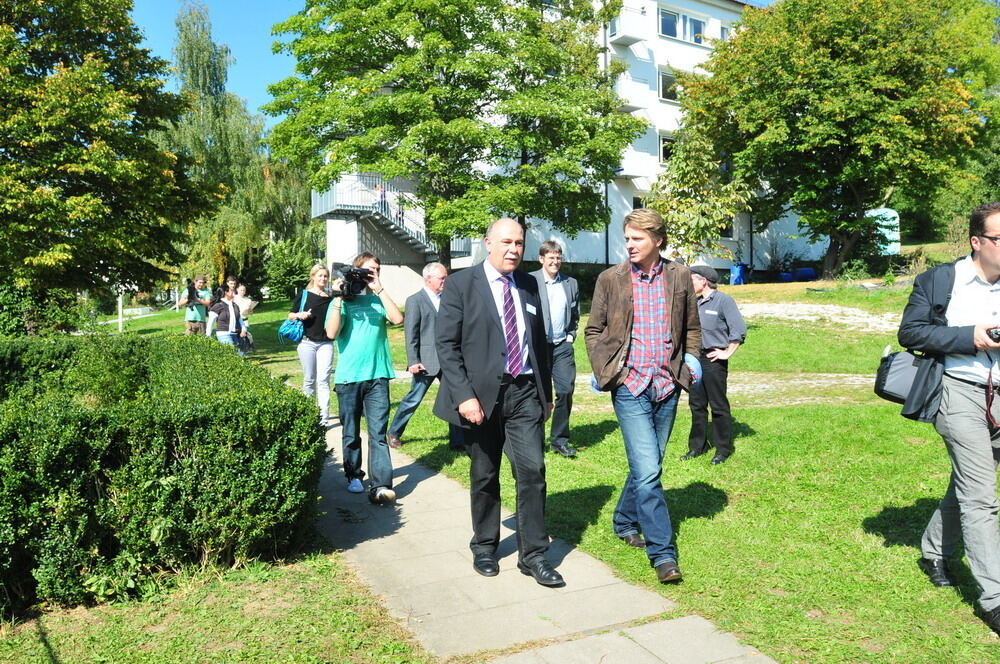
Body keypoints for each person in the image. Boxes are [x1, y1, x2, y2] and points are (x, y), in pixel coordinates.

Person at [434, 218, 560, 587]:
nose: (514, 250)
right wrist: (464, 397)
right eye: (506, 242)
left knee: (533, 471)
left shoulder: (529, 284)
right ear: (488, 243)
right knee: (485, 474)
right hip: (481, 397)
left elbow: (540, 345)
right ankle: (485, 546)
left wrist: (545, 394)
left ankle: (534, 555)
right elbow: (447, 346)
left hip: (523, 393)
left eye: (519, 243)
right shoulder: (460, 284)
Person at [898, 201, 1000, 635]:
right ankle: (995, 598)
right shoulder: (942, 280)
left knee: (967, 485)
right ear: (977, 242)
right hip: (958, 392)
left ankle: (934, 551)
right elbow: (912, 332)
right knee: (982, 496)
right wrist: (968, 337)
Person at [584, 208, 700, 585]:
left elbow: (691, 327)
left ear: (657, 240)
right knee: (650, 471)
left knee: (646, 466)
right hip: (630, 385)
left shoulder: (680, 275)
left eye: (637, 238)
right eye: (627, 238)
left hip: (667, 386)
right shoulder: (610, 279)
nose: (629, 245)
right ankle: (663, 555)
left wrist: (692, 361)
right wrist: (606, 369)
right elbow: (593, 330)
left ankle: (624, 519)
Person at [326, 252, 403, 505]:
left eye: (376, 269)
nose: (372, 273)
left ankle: (381, 484)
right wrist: (337, 297)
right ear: (354, 270)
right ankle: (353, 474)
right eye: (368, 270)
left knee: (378, 433)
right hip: (349, 377)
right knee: (351, 431)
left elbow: (397, 318)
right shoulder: (343, 302)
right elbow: (331, 332)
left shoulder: (378, 299)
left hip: (378, 376)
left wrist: (378, 288)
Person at [387, 263, 465, 451]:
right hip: (427, 362)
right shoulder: (415, 300)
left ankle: (458, 440)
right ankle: (394, 432)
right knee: (414, 398)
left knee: (454, 398)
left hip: (449, 359)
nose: (445, 281)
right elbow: (411, 334)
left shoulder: (448, 298)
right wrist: (413, 361)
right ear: (428, 278)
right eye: (442, 278)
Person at [681, 265, 746, 465]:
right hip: (693, 359)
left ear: (704, 281)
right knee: (697, 405)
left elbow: (739, 330)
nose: (689, 284)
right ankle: (697, 447)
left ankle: (723, 450)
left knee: (718, 406)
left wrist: (726, 353)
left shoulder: (723, 301)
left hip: (713, 361)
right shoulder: (692, 302)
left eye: (691, 279)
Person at [530, 240, 580, 458]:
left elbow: (575, 313)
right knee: (535, 393)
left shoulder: (571, 283)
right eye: (551, 257)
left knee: (566, 390)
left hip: (562, 346)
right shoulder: (530, 281)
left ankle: (559, 440)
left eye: (558, 257)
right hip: (537, 347)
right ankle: (534, 439)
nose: (555, 261)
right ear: (542, 259)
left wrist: (570, 336)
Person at [288, 264, 336, 428]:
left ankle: (323, 418)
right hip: (307, 342)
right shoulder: (304, 295)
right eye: (320, 275)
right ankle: (308, 414)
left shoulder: (331, 297)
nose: (323, 279)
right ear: (313, 276)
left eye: (325, 276)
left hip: (325, 343)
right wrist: (299, 315)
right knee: (309, 380)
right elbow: (290, 314)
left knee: (323, 380)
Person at [207, 285, 247, 356]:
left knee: (241, 355)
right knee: (232, 355)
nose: (234, 293)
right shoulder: (218, 306)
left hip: (236, 334)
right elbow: (210, 323)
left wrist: (243, 329)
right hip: (223, 334)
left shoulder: (235, 305)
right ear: (226, 293)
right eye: (232, 291)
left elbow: (240, 319)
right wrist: (208, 336)